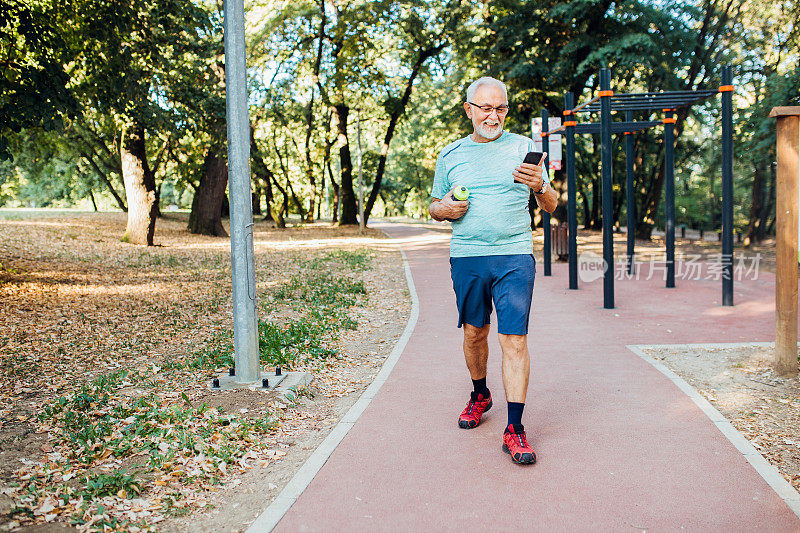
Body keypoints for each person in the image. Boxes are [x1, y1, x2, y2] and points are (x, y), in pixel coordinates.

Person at [428, 76, 557, 465]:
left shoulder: (524, 148)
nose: (493, 115)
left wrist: (540, 187)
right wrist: (445, 209)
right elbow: (434, 205)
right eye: (485, 107)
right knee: (474, 333)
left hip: (514, 253)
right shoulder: (450, 155)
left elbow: (551, 204)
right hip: (467, 255)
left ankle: (515, 428)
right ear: (469, 109)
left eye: (500, 107)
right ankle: (480, 394)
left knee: (514, 340)